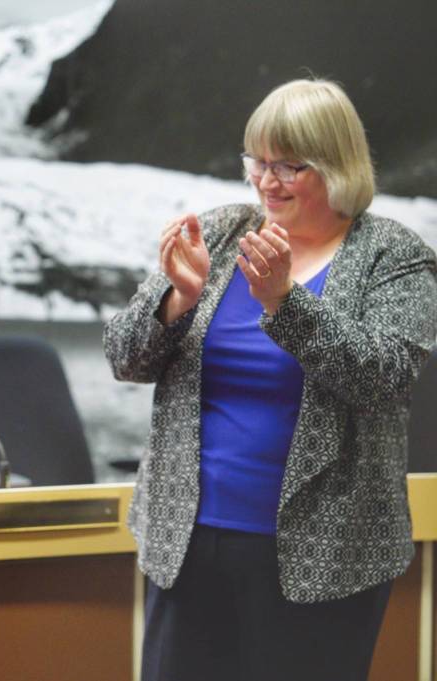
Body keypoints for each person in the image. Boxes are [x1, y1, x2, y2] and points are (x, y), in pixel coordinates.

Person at [104, 78, 437, 681]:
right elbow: (125, 358)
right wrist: (178, 300)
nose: (266, 181)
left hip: (324, 556)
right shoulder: (220, 233)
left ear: (338, 166)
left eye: (289, 166)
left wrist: (285, 302)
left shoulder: (393, 254)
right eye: (257, 161)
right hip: (187, 541)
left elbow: (382, 378)